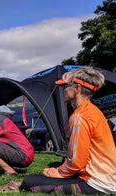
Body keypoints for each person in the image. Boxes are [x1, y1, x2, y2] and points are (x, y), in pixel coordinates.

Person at [19, 66, 116, 194]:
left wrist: (58, 173)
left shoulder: (79, 116)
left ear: (77, 89)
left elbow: (77, 162)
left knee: (28, 181)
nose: (63, 90)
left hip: (96, 182)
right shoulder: (93, 111)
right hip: (109, 177)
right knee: (52, 167)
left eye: (66, 86)